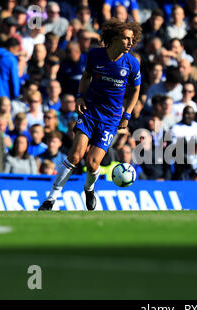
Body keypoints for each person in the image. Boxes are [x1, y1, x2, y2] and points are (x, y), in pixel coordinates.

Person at [39, 18, 142, 211]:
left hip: (110, 119)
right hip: (90, 113)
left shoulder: (131, 63)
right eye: (126, 38)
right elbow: (86, 77)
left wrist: (127, 114)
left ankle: (89, 188)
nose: (130, 43)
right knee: (75, 156)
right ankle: (51, 199)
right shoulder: (95, 55)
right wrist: (79, 97)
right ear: (114, 38)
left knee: (93, 162)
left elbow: (136, 90)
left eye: (132, 39)